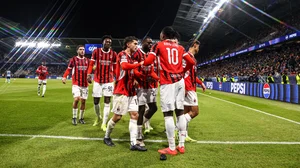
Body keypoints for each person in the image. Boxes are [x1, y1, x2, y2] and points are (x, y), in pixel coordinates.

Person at [143, 26, 196, 155]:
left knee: (168, 114)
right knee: (179, 113)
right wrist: (182, 71)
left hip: (168, 82)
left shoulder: (159, 45)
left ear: (163, 35)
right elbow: (191, 62)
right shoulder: (180, 47)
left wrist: (143, 63)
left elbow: (148, 61)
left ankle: (172, 148)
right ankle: (181, 146)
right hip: (180, 81)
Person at [103, 36, 147, 151]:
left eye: (137, 44)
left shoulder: (132, 58)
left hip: (131, 91)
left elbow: (133, 71)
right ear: (128, 44)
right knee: (117, 117)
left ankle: (133, 143)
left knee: (134, 115)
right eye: (134, 43)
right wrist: (139, 64)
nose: (136, 45)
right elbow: (124, 66)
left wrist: (139, 78)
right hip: (121, 91)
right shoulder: (122, 54)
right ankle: (106, 137)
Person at [87, 35, 117, 131]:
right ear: (102, 43)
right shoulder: (96, 52)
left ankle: (104, 123)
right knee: (96, 101)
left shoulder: (114, 54)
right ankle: (98, 117)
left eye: (109, 42)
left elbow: (116, 67)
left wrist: (117, 78)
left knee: (107, 101)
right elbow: (91, 64)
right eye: (106, 41)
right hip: (97, 80)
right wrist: (88, 74)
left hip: (108, 81)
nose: (108, 43)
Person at [133, 37, 159, 147]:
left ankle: (137, 127)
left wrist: (158, 79)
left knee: (154, 108)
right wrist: (144, 77)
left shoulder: (151, 55)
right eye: (148, 42)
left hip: (150, 86)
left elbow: (152, 71)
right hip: (140, 86)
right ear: (142, 42)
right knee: (142, 109)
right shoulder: (137, 54)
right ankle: (139, 137)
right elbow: (134, 69)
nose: (150, 44)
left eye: (151, 43)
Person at [182, 40, 206, 142]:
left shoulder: (192, 58)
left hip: (191, 86)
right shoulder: (186, 56)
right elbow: (182, 73)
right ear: (194, 45)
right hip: (188, 88)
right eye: (198, 47)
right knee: (195, 112)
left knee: (186, 112)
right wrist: (184, 87)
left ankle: (183, 135)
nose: (198, 49)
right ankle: (176, 128)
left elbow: (192, 75)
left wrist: (201, 83)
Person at [62, 45, 91, 126]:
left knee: (83, 101)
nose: (82, 51)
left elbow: (90, 71)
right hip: (76, 83)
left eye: (83, 49)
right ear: (77, 51)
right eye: (80, 49)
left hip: (85, 84)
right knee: (77, 99)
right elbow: (69, 69)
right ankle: (74, 117)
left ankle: (81, 118)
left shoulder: (87, 60)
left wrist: (89, 78)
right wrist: (64, 77)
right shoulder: (73, 60)